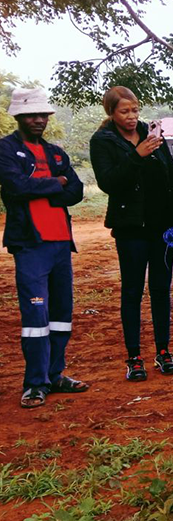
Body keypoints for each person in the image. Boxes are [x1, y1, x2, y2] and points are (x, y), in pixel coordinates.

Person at [89, 86, 173, 381]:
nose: (132, 116)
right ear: (111, 112)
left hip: (163, 228)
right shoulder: (103, 140)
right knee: (132, 292)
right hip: (131, 228)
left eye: (135, 110)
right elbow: (109, 183)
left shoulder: (152, 133)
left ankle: (163, 352)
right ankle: (134, 357)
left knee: (161, 290)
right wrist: (137, 155)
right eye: (124, 111)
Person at [1, 87, 87, 409]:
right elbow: (14, 187)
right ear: (19, 117)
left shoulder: (55, 152)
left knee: (61, 314)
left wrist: (47, 189)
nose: (39, 120)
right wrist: (57, 183)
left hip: (61, 244)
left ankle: (55, 375)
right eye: (31, 115)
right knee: (36, 315)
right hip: (31, 246)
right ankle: (35, 384)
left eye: (43, 115)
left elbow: (76, 191)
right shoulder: (6, 150)